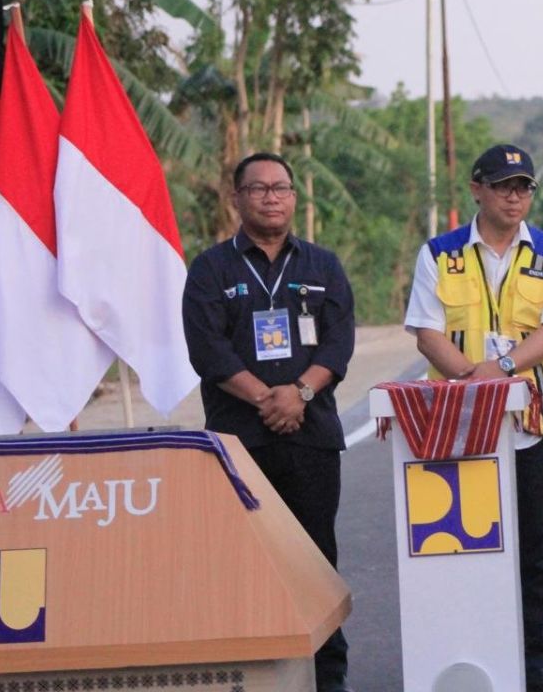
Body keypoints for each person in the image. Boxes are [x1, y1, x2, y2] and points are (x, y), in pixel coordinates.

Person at [404, 144, 543, 692]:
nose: (515, 196)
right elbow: (426, 329)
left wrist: (498, 369)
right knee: (460, 545)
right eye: (503, 185)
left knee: (537, 553)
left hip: (536, 420)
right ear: (477, 190)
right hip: (455, 424)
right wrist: (469, 380)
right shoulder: (440, 253)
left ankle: (534, 662)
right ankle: (465, 652)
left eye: (523, 186)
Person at [182, 152, 355, 692]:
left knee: (316, 556)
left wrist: (300, 393)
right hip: (242, 442)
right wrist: (268, 400)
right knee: (248, 562)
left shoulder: (322, 265)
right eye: (258, 189)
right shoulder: (211, 269)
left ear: (294, 197)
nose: (272, 197)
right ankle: (257, 675)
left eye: (281, 188)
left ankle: (329, 675)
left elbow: (338, 340)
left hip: (312, 437)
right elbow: (207, 350)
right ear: (237, 198)